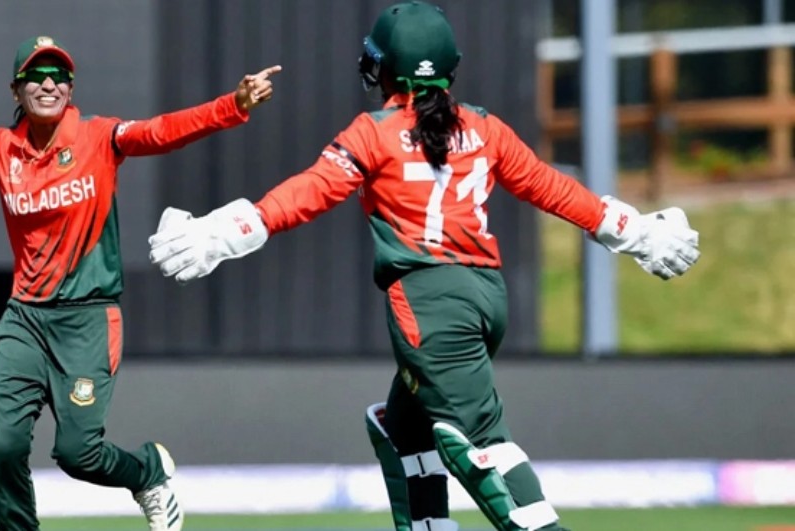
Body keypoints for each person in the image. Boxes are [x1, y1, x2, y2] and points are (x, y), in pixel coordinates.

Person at [146, 3, 700, 531]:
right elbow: (551, 188)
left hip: (430, 308)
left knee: (481, 441)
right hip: (485, 299)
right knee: (403, 429)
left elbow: (306, 194)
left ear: (385, 69)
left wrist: (222, 234)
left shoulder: (373, 132)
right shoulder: (485, 127)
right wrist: (636, 232)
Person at [0, 35, 280, 531]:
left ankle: (148, 471)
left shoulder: (99, 137)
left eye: (59, 76)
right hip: (26, 319)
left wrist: (233, 105)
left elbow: (161, 131)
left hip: (88, 318)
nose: (48, 84)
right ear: (16, 90)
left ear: (70, 87)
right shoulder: (0, 149)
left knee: (79, 453)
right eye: (36, 76)